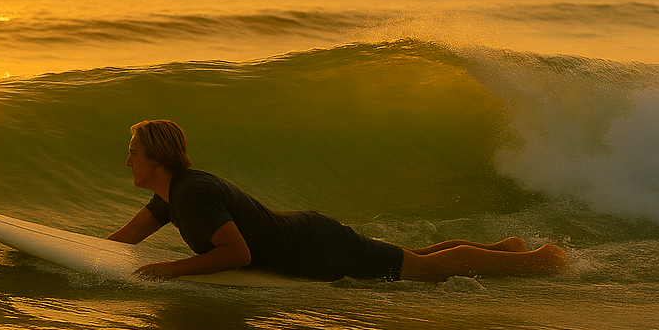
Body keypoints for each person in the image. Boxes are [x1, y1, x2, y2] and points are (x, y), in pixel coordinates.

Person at [107, 120, 569, 282]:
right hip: (308, 236)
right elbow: (122, 241)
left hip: (316, 247)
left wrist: (167, 269)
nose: (127, 161)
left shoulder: (191, 195)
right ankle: (505, 248)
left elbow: (237, 253)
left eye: (133, 153)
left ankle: (538, 262)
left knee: (425, 271)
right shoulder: (172, 196)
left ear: (157, 158)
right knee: (412, 258)